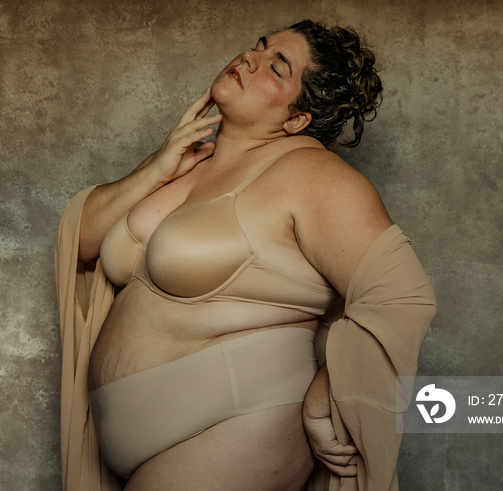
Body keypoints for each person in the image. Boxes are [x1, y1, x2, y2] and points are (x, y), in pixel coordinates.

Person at [56, 19, 436, 491]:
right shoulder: (189, 163)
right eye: (258, 47)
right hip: (126, 437)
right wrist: (157, 166)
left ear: (296, 120)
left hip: (240, 422)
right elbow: (84, 241)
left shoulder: (312, 174)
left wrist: (325, 395)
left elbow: (400, 298)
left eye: (276, 68)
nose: (250, 59)